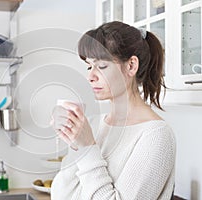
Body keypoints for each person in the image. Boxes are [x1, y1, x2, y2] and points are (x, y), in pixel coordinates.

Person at [50, 21, 176, 200]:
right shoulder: (94, 123)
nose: (90, 76)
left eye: (101, 66)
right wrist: (73, 138)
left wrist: (87, 146)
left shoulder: (156, 136)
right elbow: (61, 194)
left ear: (131, 66)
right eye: (89, 66)